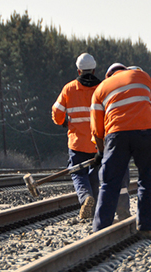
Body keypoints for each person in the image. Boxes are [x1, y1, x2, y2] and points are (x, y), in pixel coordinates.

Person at [52, 53, 131, 220]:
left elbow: (57, 113)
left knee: (77, 173)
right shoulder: (103, 88)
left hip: (77, 142)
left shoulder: (69, 88)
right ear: (94, 70)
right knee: (96, 174)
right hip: (100, 143)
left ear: (79, 70)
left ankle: (86, 197)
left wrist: (63, 122)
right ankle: (95, 208)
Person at [90, 63, 151, 234]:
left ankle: (100, 230)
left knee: (109, 183)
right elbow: (146, 102)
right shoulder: (143, 76)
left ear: (109, 75)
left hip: (117, 134)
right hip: (146, 132)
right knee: (147, 180)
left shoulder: (100, 89)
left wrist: (101, 151)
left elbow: (97, 129)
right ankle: (146, 228)